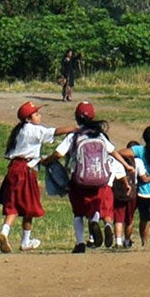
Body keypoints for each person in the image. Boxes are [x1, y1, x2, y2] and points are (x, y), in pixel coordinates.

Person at [56, 100, 128, 253]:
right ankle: (96, 221)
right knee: (96, 205)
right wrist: (127, 165)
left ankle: (80, 243)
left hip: (78, 179)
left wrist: (47, 160)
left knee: (78, 212)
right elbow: (113, 152)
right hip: (99, 179)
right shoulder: (100, 135)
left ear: (77, 117)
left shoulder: (74, 135)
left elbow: (59, 153)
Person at [0, 101, 66, 253]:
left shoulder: (19, 131)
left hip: (13, 169)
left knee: (13, 205)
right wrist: (75, 129)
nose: (39, 116)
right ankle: (25, 241)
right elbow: (54, 132)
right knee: (29, 205)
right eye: (35, 114)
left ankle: (4, 231)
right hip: (26, 171)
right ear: (28, 119)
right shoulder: (33, 130)